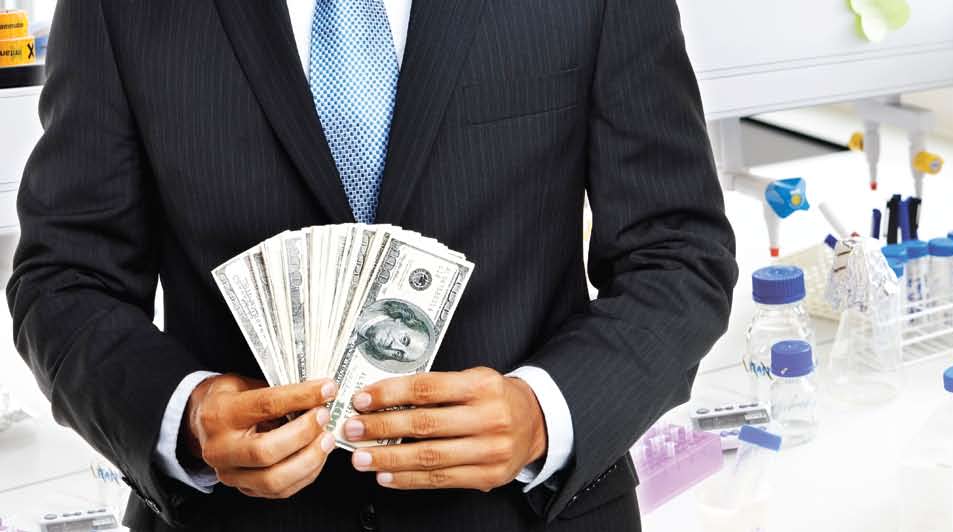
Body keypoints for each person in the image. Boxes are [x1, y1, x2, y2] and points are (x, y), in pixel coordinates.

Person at [7, 1, 737, 531]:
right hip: (232, 517)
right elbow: (66, 278)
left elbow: (676, 251)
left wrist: (544, 413)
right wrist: (185, 417)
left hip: (530, 513)